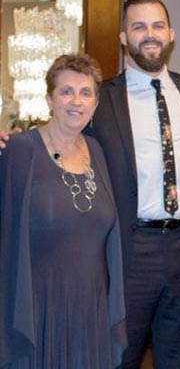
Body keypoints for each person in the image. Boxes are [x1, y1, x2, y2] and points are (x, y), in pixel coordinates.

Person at [85, 0, 180, 367]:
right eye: (138, 26)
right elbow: (64, 136)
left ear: (171, 34)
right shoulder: (100, 98)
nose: (150, 34)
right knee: (117, 356)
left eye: (157, 25)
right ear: (124, 37)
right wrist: (21, 143)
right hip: (130, 249)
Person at [0, 54, 127, 368]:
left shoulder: (97, 151)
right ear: (49, 99)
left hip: (92, 305)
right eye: (66, 91)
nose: (77, 101)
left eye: (86, 93)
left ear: (95, 104)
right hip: (38, 307)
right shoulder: (18, 150)